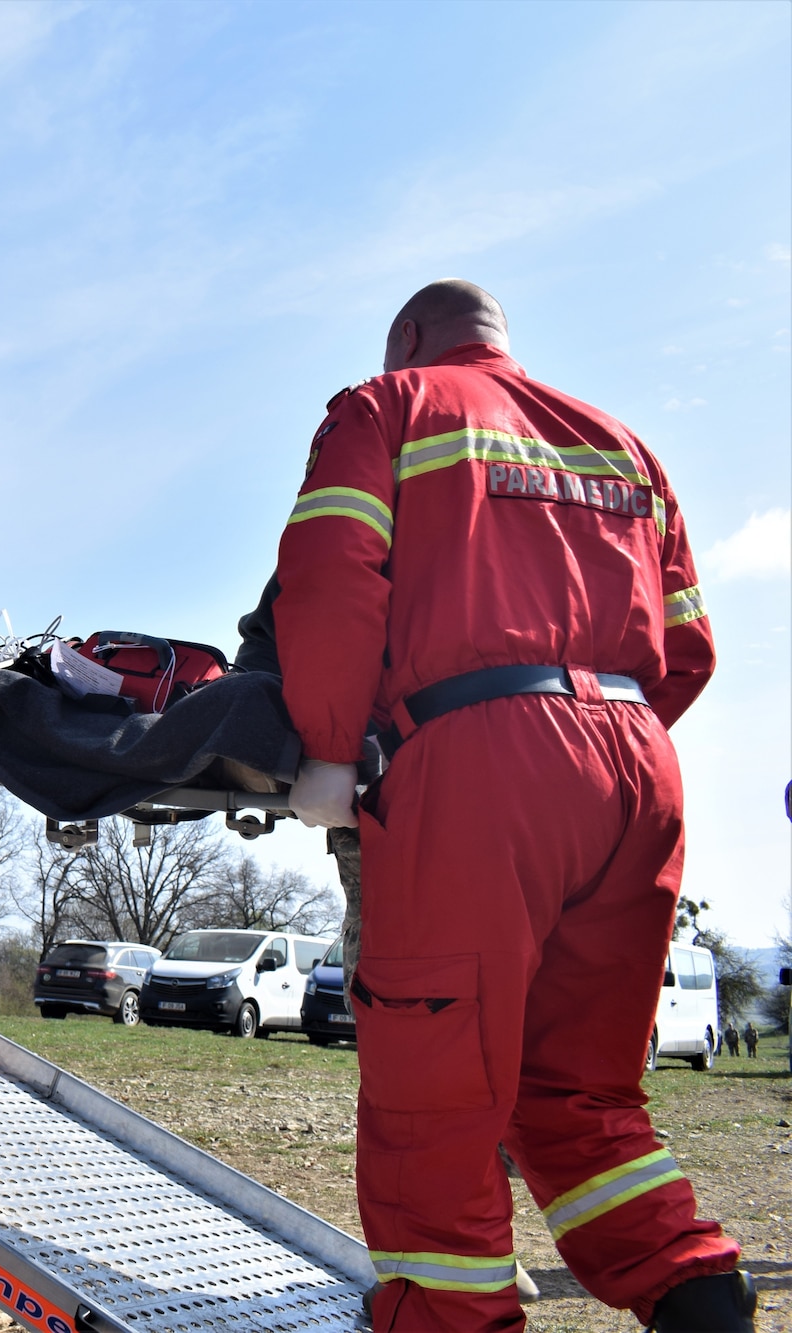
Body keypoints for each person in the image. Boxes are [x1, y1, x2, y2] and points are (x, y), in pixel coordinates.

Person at [273, 280, 751, 1331]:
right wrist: (595, 740)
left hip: (478, 760)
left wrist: (325, 747)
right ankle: (691, 1286)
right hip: (636, 761)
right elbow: (690, 647)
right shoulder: (619, 442)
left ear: (407, 343)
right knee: (576, 1089)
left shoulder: (386, 404)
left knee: (432, 1086)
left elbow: (326, 574)